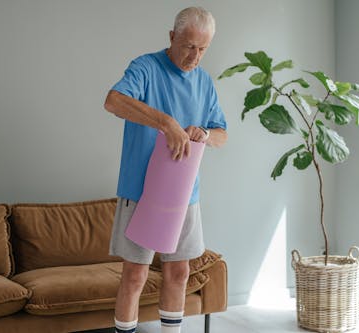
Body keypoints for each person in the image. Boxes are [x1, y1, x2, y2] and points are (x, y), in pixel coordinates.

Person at [104, 6, 227, 333]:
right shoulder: (145, 67)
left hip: (185, 195)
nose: (195, 56)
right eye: (189, 46)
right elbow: (113, 101)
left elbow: (222, 134)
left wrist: (205, 134)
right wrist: (166, 122)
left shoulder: (204, 82)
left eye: (203, 49)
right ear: (172, 37)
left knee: (179, 273)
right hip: (140, 191)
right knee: (135, 276)